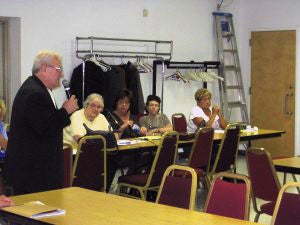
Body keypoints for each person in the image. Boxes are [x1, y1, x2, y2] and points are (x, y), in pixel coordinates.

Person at [4, 50, 78, 195]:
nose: (61, 74)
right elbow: (46, 128)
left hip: (36, 171)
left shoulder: (37, 89)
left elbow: (45, 123)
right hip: (33, 174)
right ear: (44, 68)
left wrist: (62, 112)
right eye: (59, 69)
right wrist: (65, 111)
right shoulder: (34, 93)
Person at [63, 93, 118, 192]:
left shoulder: (101, 117)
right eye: (93, 105)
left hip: (94, 152)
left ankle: (102, 189)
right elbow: (79, 139)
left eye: (99, 107)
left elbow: (114, 136)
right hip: (72, 154)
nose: (96, 109)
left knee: (113, 160)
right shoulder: (77, 115)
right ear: (86, 105)